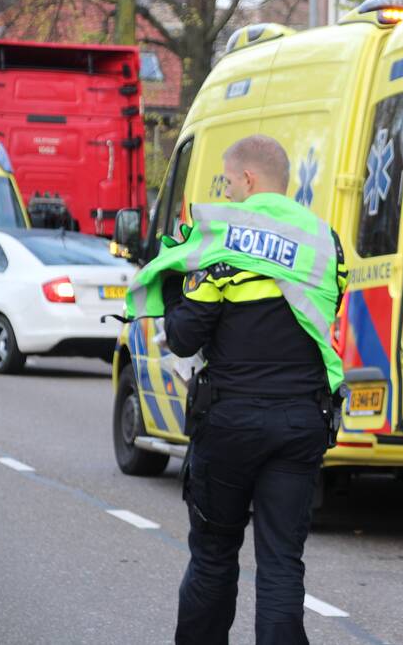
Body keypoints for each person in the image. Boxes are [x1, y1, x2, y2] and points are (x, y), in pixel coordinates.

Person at [129, 134, 347, 644]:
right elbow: (325, 314)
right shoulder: (324, 240)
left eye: (227, 182)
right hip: (301, 422)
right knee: (280, 565)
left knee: (213, 556)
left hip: (229, 422)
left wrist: (177, 291)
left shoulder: (223, 242)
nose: (225, 193)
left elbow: (185, 337)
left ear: (248, 179)